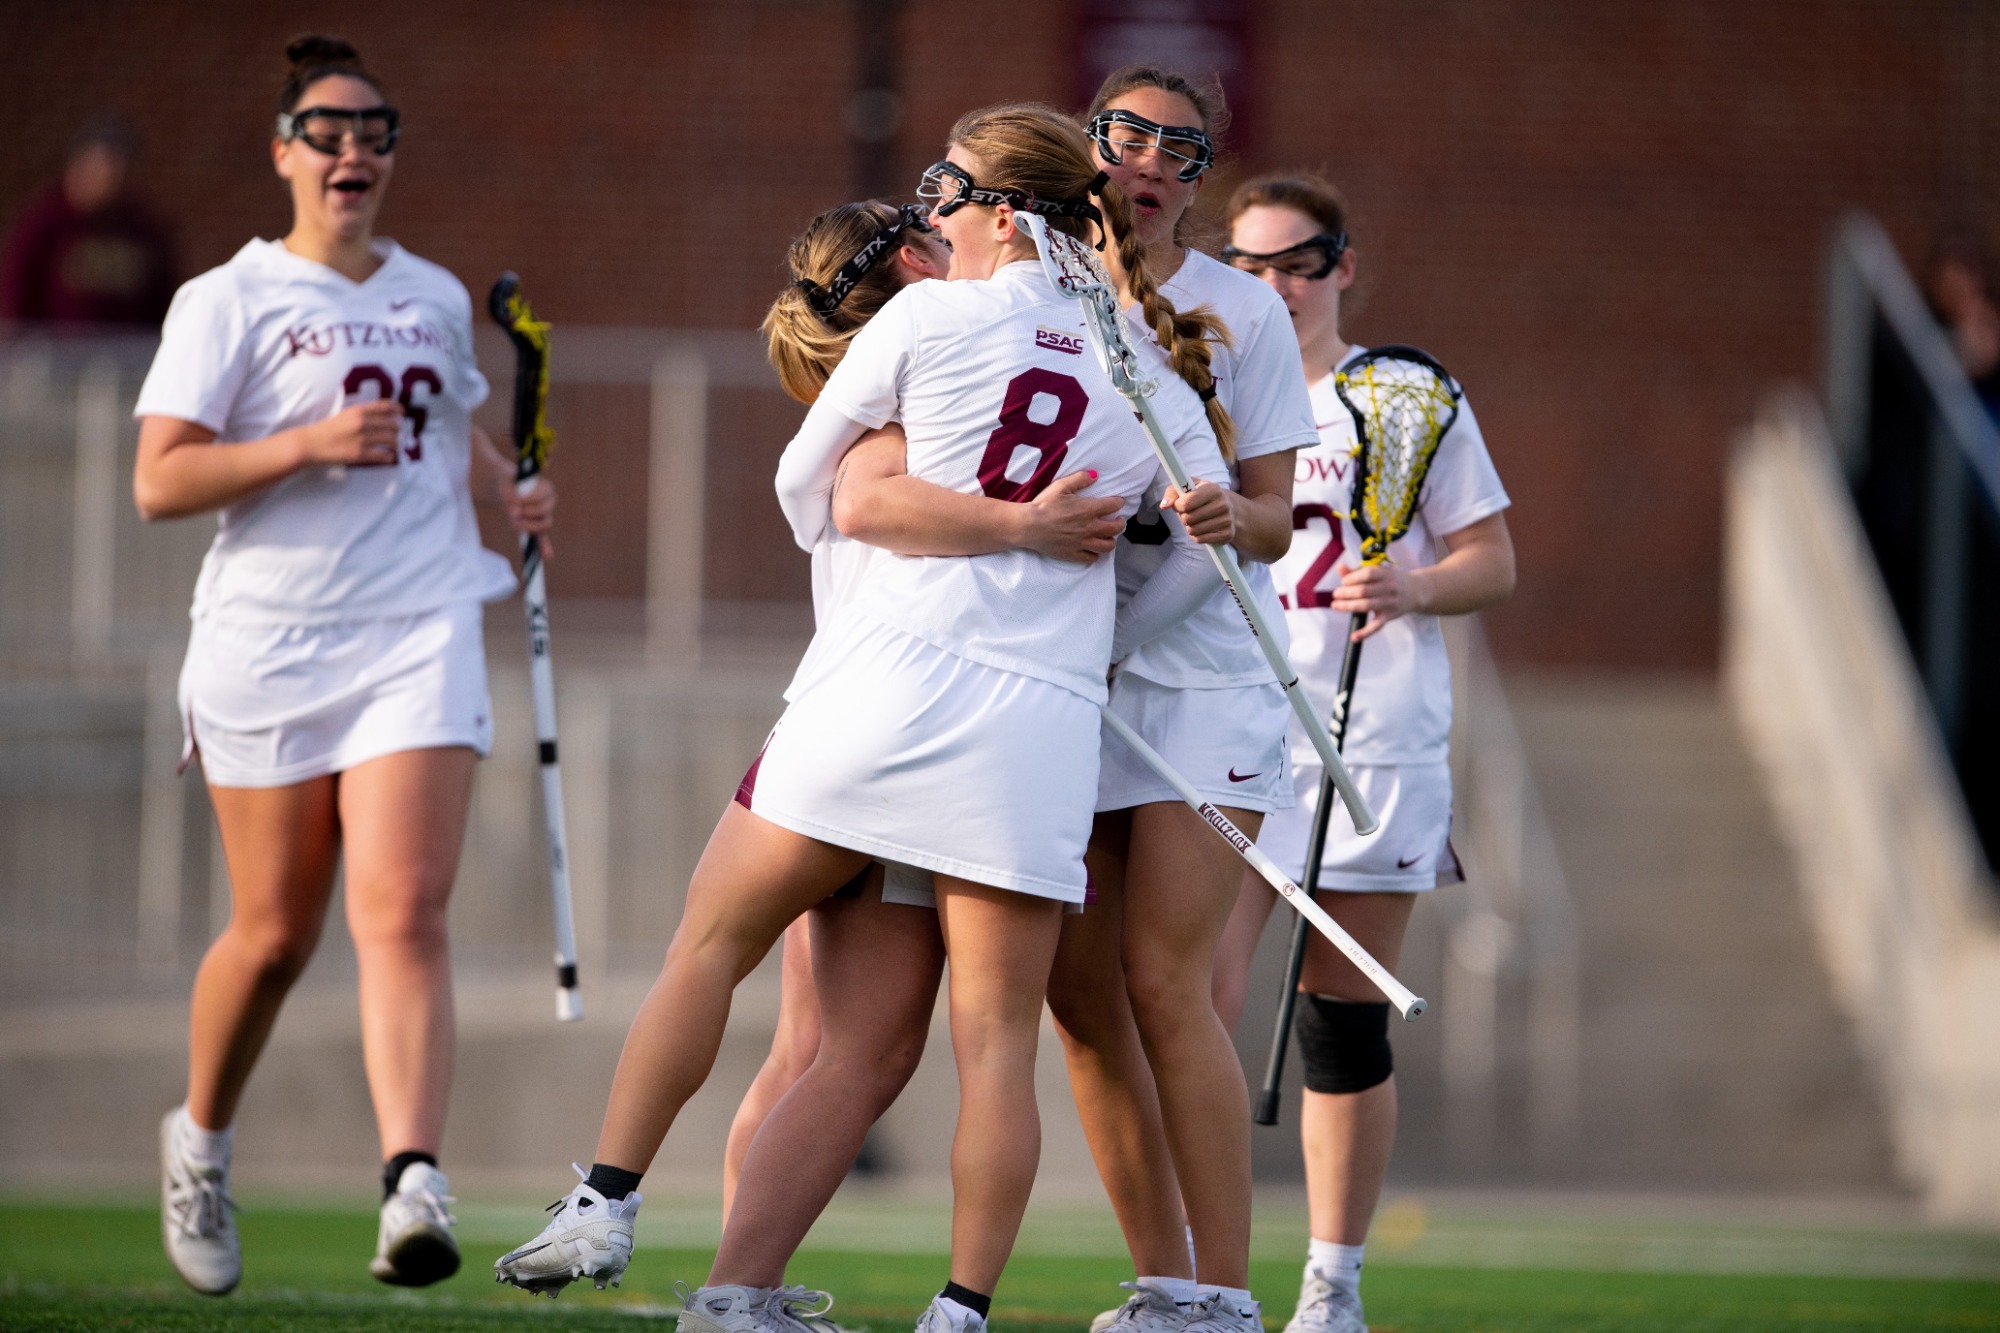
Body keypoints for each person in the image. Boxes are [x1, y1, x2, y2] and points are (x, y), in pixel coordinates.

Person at [494, 104, 1232, 1333]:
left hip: (877, 689)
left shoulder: (929, 315)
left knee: (713, 948)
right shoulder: (1148, 376)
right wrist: (1090, 634)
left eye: (946, 183)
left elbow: (813, 485)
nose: (926, 203)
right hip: (1028, 734)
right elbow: (1206, 562)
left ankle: (607, 1200)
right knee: (989, 1046)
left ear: (1004, 211)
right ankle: (953, 1312)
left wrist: (922, 525)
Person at [133, 35, 555, 1296]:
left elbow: (459, 423)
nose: (352, 149)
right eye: (325, 130)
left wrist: (508, 488)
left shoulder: (427, 291)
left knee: (403, 908)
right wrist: (308, 443)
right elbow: (160, 479)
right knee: (272, 934)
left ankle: (412, 1177)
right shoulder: (229, 298)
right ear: (283, 152)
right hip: (268, 638)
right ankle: (200, 1137)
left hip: (419, 622)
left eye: (373, 129)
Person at [1041, 64, 1321, 1333]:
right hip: (1060, 674)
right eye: (1130, 135)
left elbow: (1273, 515)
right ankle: (1160, 1281)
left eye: (1182, 149)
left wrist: (1229, 515)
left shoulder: (1241, 313)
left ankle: (1222, 1296)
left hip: (1202, 680)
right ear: (1088, 140)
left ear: (1200, 179)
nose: (1151, 162)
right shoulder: (1024, 280)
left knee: (1165, 978)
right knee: (1077, 992)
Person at [1210, 174, 1516, 1333]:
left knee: (1339, 1014)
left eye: (1299, 261)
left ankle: (1330, 1285)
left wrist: (1414, 583)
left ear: (1342, 266)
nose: (1276, 285)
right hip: (1232, 727)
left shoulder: (1401, 396)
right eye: (1250, 264)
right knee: (1193, 991)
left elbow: (1491, 558)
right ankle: (1196, 1269)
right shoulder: (1205, 390)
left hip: (1370, 738)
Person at [1, 117, 177, 328]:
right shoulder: (45, 223)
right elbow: (16, 294)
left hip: (128, 355)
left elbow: (162, 300)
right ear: (80, 165)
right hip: (55, 356)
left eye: (124, 167)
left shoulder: (142, 230)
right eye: (107, 165)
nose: (116, 178)